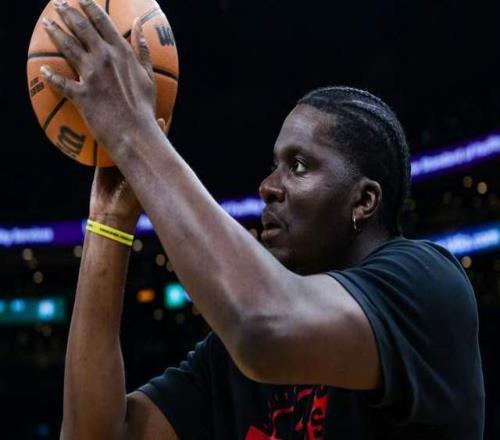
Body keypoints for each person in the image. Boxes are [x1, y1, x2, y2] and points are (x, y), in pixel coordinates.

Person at [41, 0, 484, 438]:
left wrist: (134, 133)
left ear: (364, 201)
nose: (268, 186)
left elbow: (261, 326)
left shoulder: (426, 285)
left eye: (299, 166)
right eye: (274, 165)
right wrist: (109, 220)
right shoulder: (229, 361)